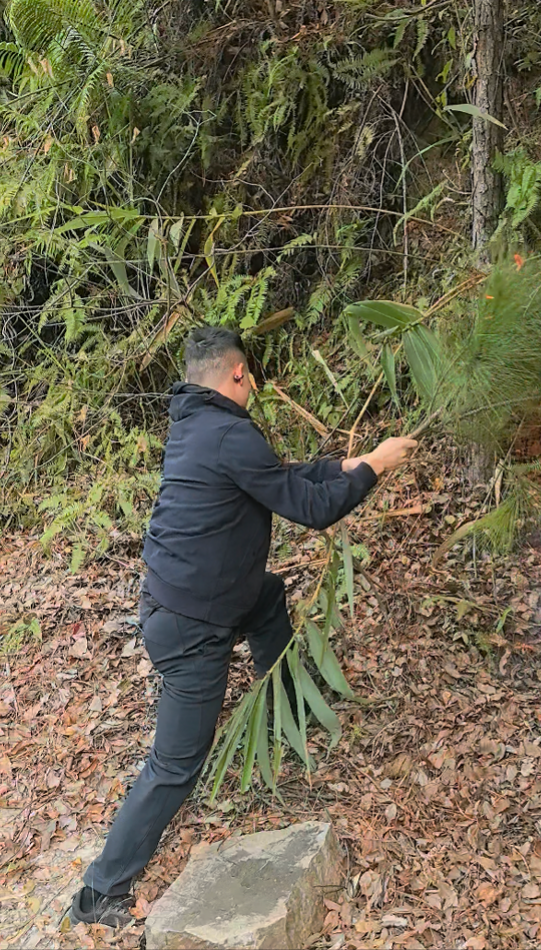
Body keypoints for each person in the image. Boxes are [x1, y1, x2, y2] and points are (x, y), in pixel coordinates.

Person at [69, 326, 417, 927]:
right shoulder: (228, 432)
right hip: (191, 625)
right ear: (237, 374)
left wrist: (341, 464)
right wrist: (374, 469)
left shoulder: (198, 426)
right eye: (251, 376)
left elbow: (275, 476)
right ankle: (101, 893)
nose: (254, 385)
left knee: (267, 595)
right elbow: (312, 509)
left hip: (193, 599)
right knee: (177, 763)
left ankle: (286, 705)